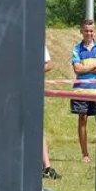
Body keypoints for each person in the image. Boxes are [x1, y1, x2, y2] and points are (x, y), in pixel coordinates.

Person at [69, 19, 96, 163]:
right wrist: (94, 66)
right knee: (82, 120)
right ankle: (85, 154)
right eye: (86, 31)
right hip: (81, 90)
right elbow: (77, 69)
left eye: (91, 31)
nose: (89, 33)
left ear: (95, 31)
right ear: (81, 31)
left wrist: (85, 67)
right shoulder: (76, 49)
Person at [42, 45, 60, 180]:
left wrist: (31, 71)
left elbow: (49, 64)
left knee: (37, 129)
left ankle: (47, 167)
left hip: (32, 88)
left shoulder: (38, 43)